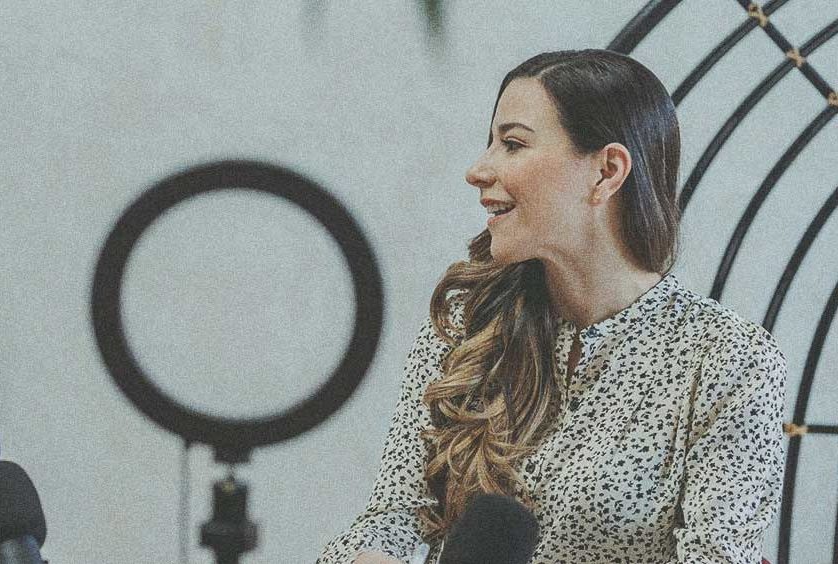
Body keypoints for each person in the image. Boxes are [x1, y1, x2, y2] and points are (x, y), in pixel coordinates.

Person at [319, 49, 786, 563]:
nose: (478, 170)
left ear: (607, 171)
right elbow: (391, 518)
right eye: (491, 142)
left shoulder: (730, 361)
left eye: (512, 144)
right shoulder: (465, 329)